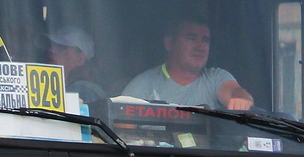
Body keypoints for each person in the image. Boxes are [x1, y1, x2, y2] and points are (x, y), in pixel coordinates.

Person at [121, 17, 254, 110]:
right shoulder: (142, 86)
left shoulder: (216, 78)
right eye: (191, 38)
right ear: (169, 43)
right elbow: (123, 132)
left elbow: (236, 92)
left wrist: (241, 100)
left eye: (205, 40)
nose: (200, 46)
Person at [43, 24, 108, 110]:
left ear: (81, 59)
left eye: (61, 47)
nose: (51, 50)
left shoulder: (86, 91)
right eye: (50, 46)